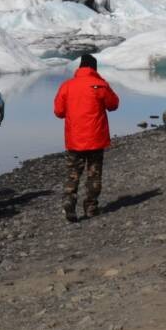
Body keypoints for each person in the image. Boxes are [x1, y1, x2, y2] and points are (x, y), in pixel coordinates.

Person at [53, 53, 120, 222]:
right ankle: (91, 207)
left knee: (73, 173)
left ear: (80, 67)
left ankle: (69, 201)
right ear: (94, 68)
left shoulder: (67, 86)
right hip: (96, 138)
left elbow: (59, 112)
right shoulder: (100, 85)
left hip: (75, 139)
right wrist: (101, 84)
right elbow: (113, 105)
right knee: (94, 174)